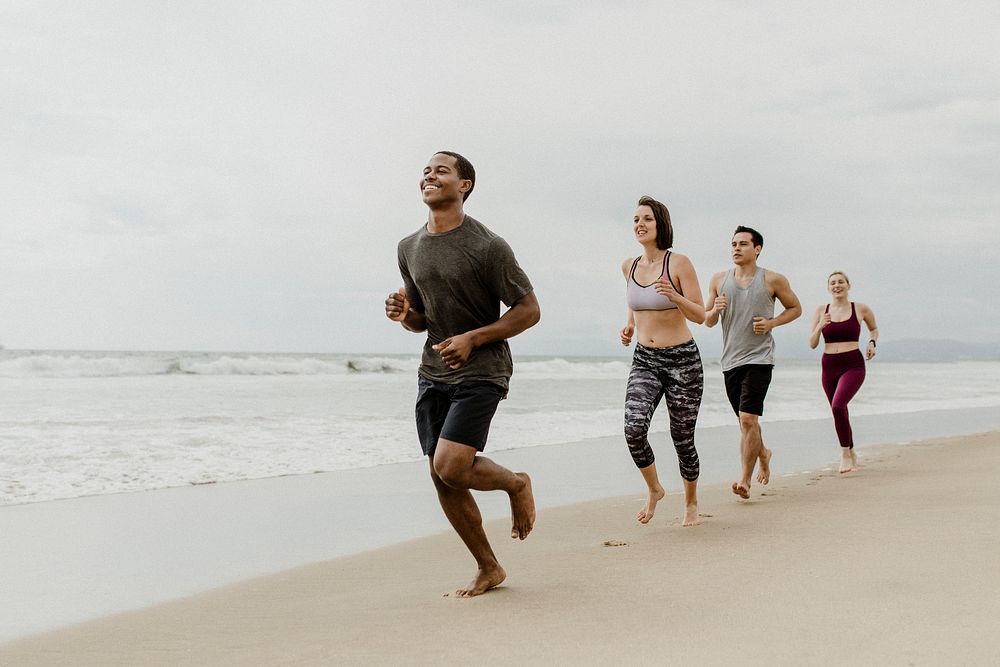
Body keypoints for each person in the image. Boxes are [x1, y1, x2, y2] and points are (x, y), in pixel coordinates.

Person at [385, 151, 540, 597]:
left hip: (483, 370)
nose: (429, 176)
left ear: (465, 185)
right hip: (433, 372)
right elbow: (421, 320)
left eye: (442, 170)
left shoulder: (488, 246)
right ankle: (489, 567)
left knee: (451, 464)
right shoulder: (408, 248)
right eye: (426, 171)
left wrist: (474, 338)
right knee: (441, 474)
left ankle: (516, 484)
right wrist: (404, 313)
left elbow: (529, 310)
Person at [619, 196, 706, 526]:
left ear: (661, 225)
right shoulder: (629, 266)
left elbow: (700, 314)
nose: (640, 224)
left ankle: (692, 501)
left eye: (647, 219)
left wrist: (675, 296)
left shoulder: (679, 263)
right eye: (636, 219)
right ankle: (654, 489)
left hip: (683, 360)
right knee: (633, 428)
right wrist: (629, 324)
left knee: (682, 438)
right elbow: (635, 302)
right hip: (645, 359)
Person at [705, 226, 801, 499]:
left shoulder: (772, 280)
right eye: (733, 244)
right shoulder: (718, 280)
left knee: (748, 419)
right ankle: (764, 453)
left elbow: (796, 308)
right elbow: (707, 320)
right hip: (730, 361)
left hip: (760, 358)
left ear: (757, 249)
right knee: (745, 423)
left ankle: (744, 480)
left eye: (743, 244)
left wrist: (771, 323)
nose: (736, 248)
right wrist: (715, 309)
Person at [808, 271, 879, 473]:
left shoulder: (861, 308)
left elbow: (874, 329)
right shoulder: (822, 310)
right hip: (829, 364)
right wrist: (821, 325)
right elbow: (812, 343)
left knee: (839, 405)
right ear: (828, 288)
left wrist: (872, 343)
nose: (837, 285)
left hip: (853, 364)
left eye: (841, 282)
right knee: (838, 409)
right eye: (833, 283)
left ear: (849, 285)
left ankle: (845, 453)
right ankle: (852, 451)